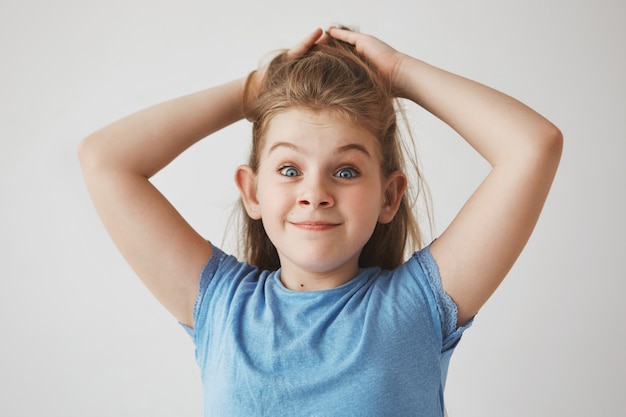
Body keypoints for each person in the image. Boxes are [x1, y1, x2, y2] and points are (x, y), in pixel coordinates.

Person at [78, 26, 562, 416]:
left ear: (389, 196)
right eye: (289, 170)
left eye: (346, 171)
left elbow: (532, 146)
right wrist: (252, 90)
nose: (315, 194)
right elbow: (103, 159)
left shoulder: (416, 307)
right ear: (252, 191)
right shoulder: (222, 307)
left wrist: (402, 73)